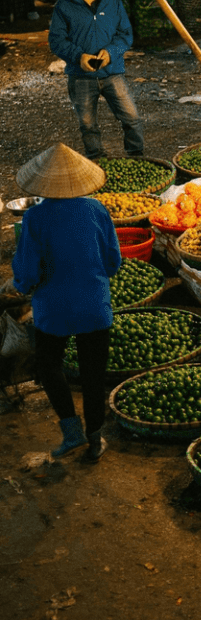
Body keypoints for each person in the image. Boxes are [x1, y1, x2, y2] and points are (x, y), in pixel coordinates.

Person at [10, 143, 121, 462]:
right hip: (94, 306)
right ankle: (95, 439)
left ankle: (71, 430)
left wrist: (21, 287)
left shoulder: (34, 217)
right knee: (93, 374)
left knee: (48, 366)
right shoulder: (97, 209)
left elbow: (28, 271)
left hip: (53, 310)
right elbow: (113, 261)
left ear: (42, 185)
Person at [48, 0, 145, 160]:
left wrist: (111, 52)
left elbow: (125, 34)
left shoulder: (112, 0)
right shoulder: (64, 6)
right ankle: (97, 161)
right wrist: (79, 57)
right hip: (81, 76)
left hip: (112, 72)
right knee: (88, 124)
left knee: (132, 118)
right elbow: (56, 41)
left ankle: (137, 157)